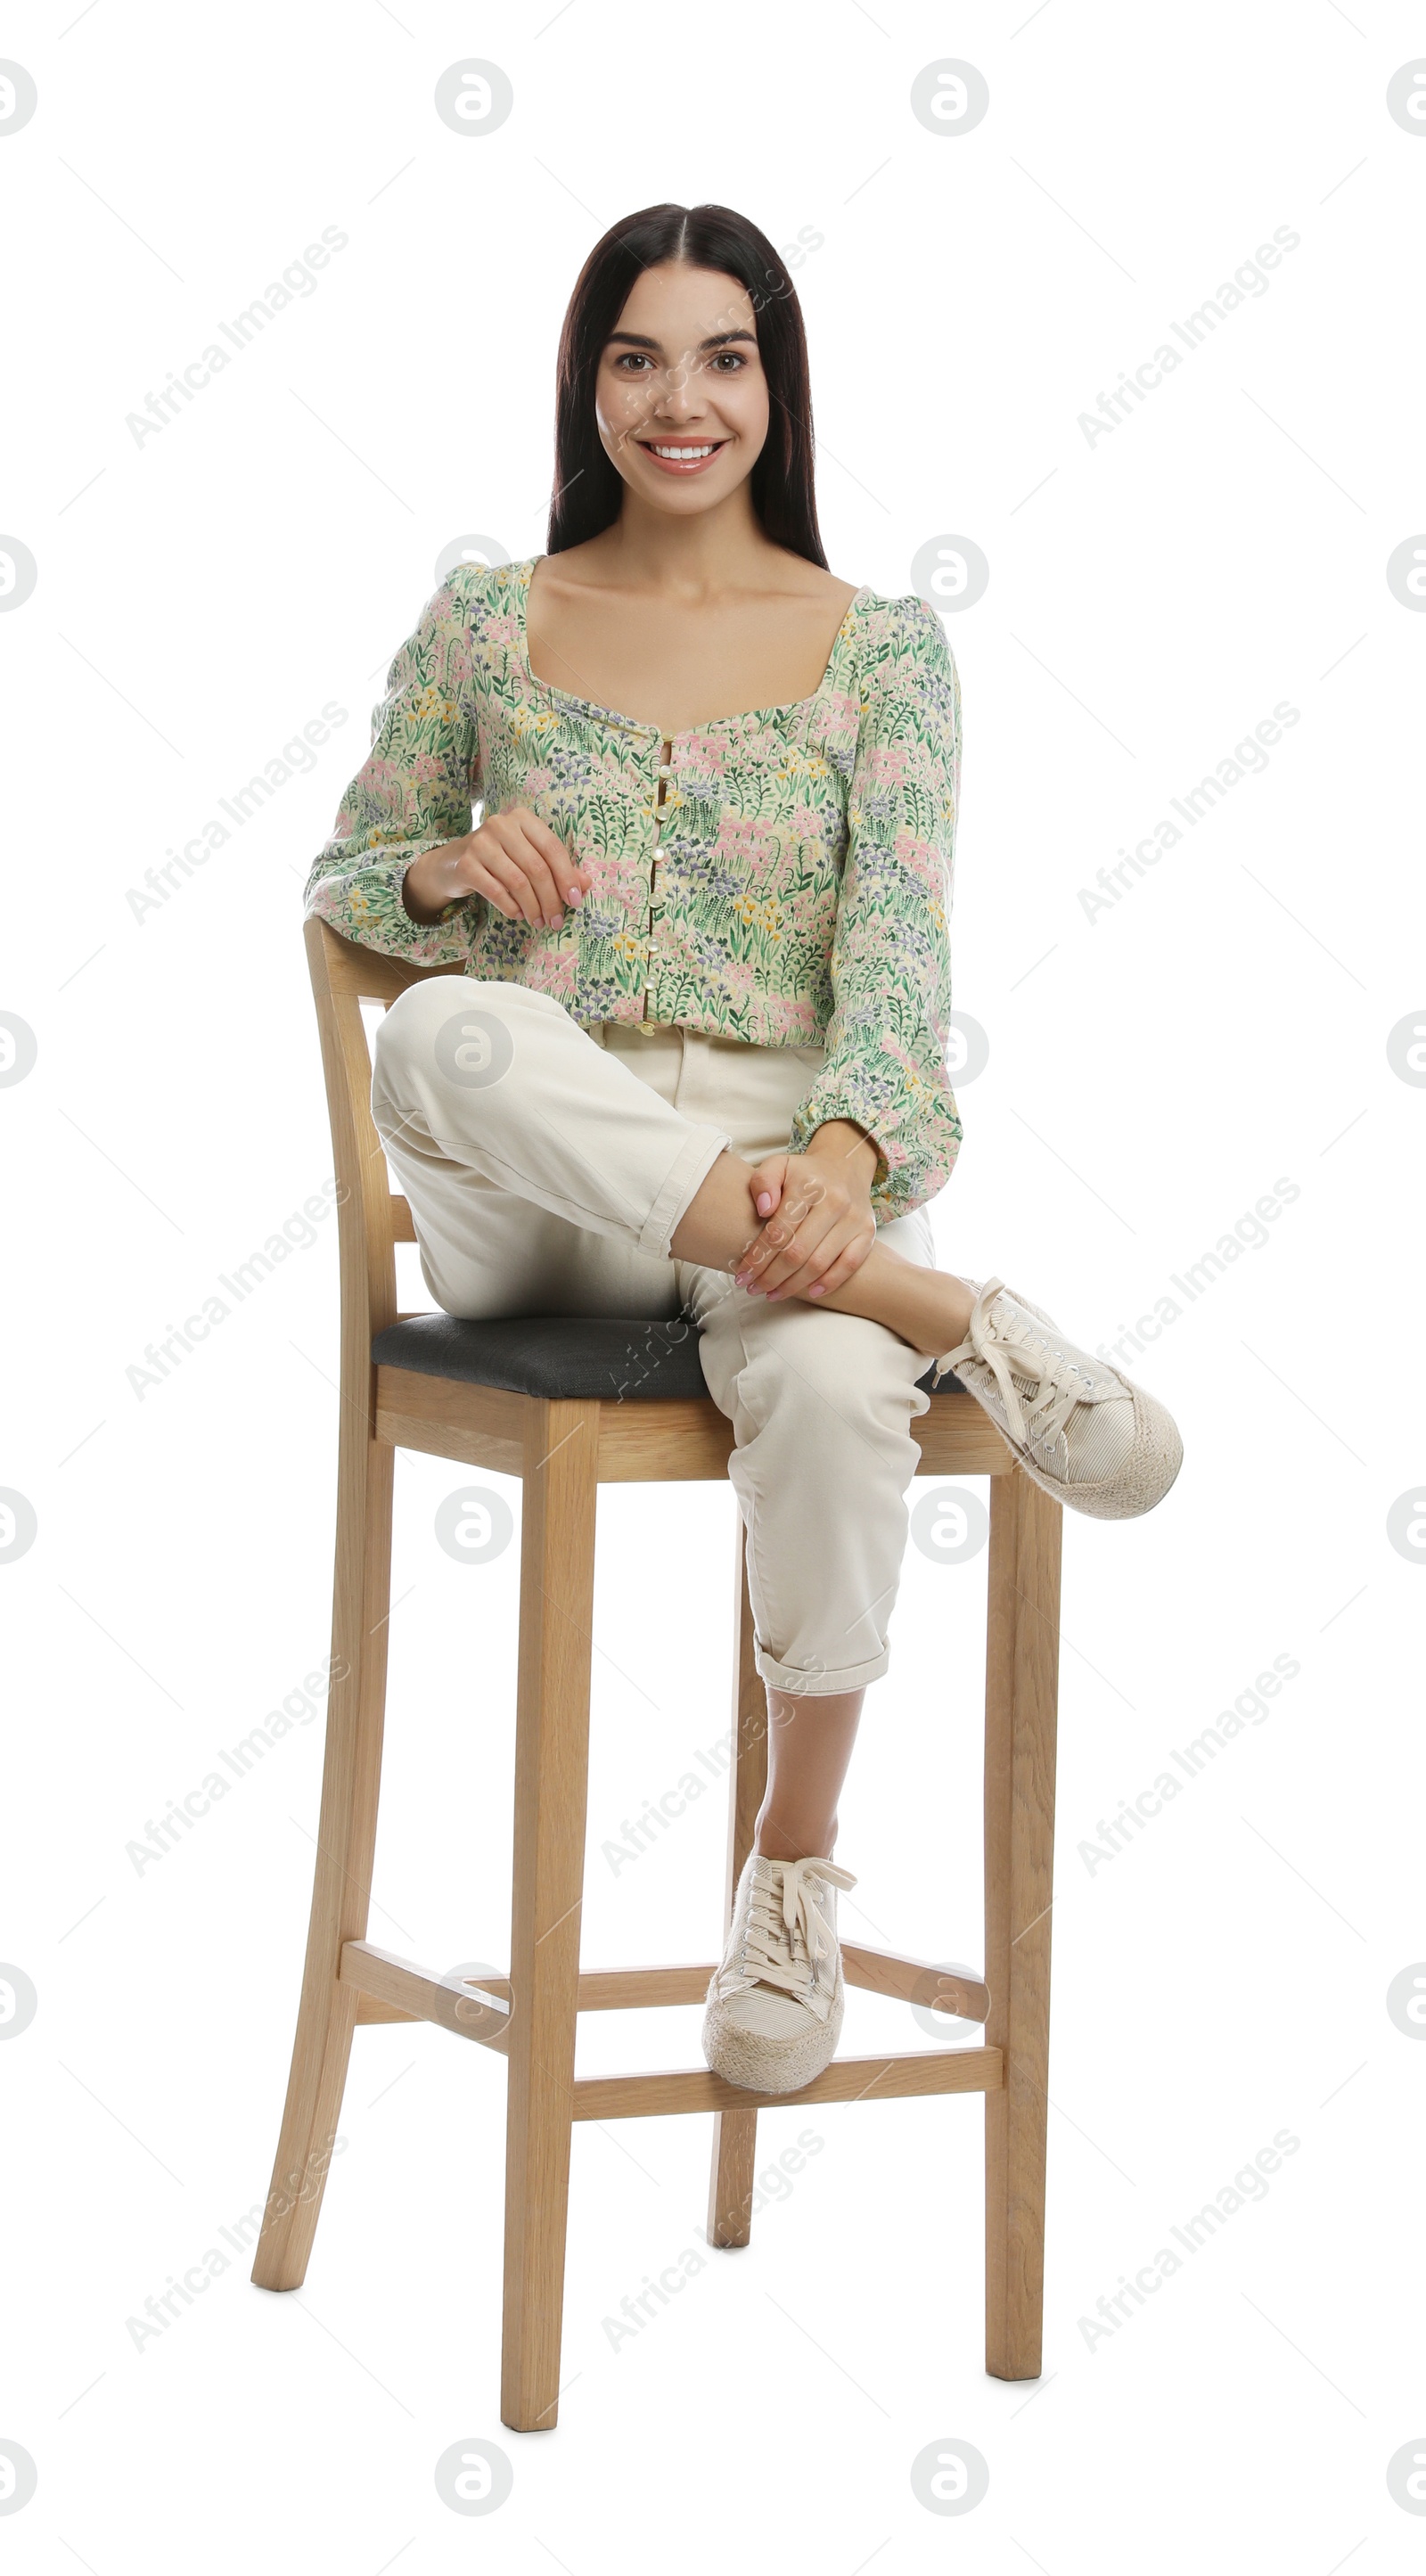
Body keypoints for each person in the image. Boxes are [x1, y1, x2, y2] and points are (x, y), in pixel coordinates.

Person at [305, 201, 1182, 2099]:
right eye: (635, 356)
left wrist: (850, 1162)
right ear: (585, 380)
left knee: (821, 1379)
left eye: (720, 356)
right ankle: (959, 1315)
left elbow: (895, 959)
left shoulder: (882, 650)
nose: (676, 401)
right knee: (452, 1027)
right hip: (549, 1188)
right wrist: (446, 866)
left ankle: (785, 1878)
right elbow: (345, 886)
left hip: (791, 1182)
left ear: (774, 384)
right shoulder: (488, 618)